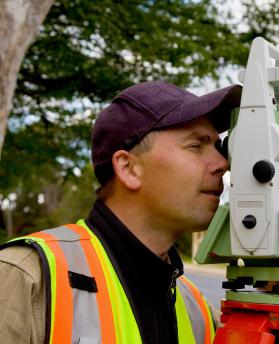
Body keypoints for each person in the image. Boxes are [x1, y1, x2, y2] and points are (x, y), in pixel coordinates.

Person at [0, 80, 242, 344]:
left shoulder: (199, 310)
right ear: (128, 168)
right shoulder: (27, 278)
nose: (222, 163)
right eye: (196, 146)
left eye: (218, 148)